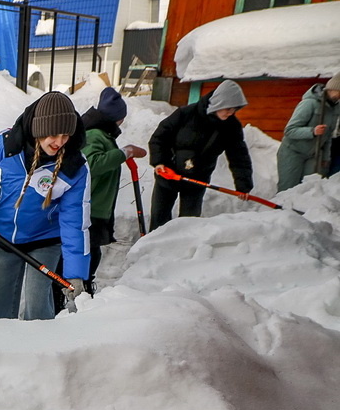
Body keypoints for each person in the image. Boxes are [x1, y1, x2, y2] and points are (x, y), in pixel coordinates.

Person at [0, 91, 91, 320]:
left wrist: (75, 273)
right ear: (38, 129)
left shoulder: (74, 167)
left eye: (65, 135)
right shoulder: (8, 144)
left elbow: (75, 222)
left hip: (45, 240)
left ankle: (38, 342)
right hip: (3, 235)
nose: (59, 142)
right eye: (53, 135)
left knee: (38, 306)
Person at [148, 79, 254, 230]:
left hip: (197, 179)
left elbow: (239, 156)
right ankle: (154, 244)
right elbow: (159, 138)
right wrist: (160, 162)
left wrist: (243, 185)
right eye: (228, 108)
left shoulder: (231, 127)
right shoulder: (186, 114)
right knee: (159, 219)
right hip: (169, 173)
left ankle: (184, 245)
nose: (231, 113)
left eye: (235, 109)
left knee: (189, 223)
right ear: (218, 103)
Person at [81, 87, 147, 287]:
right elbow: (92, 164)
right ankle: (77, 291)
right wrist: (125, 152)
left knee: (91, 252)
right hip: (90, 207)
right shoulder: (95, 134)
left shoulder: (102, 134)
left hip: (97, 206)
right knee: (88, 253)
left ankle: (83, 288)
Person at [276, 71, 340, 191]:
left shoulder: (336, 108)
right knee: (288, 188)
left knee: (309, 189)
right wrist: (312, 131)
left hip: (314, 154)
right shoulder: (309, 103)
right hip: (293, 151)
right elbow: (290, 130)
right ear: (332, 89)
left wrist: (326, 158)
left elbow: (328, 136)